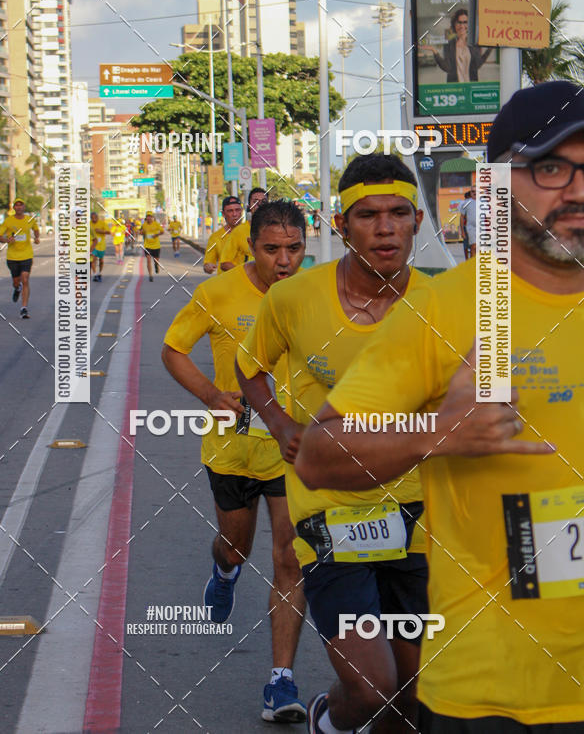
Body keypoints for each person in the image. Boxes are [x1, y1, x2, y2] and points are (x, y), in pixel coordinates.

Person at [295, 80, 584, 733]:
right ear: (501, 182)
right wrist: (438, 430)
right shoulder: (447, 307)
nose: (577, 190)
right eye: (550, 167)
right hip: (494, 691)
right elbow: (318, 453)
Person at [236, 155, 430, 734]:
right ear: (341, 226)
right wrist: (278, 423)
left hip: (422, 512)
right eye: (367, 215)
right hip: (329, 510)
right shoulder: (293, 299)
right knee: (371, 688)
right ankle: (330, 718)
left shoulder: (444, 304)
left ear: (418, 220)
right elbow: (250, 367)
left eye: (398, 213)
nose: (385, 227)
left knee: (412, 697)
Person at [162, 200, 307, 724]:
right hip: (233, 449)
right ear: (251, 246)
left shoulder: (317, 295)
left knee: (290, 558)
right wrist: (209, 394)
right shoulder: (217, 292)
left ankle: (281, 681)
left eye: (294, 249)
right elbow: (174, 349)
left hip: (294, 453)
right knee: (235, 547)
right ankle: (223, 574)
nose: (284, 261)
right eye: (272, 249)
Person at [420, 9, 492, 83]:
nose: (462, 26)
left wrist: (490, 48)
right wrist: (434, 51)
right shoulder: (449, 45)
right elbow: (447, 68)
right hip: (455, 88)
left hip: (471, 87)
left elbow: (477, 65)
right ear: (454, 24)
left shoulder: (473, 43)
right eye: (459, 22)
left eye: (465, 22)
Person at [0, 198, 40, 319]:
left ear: (24, 207)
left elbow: (36, 229)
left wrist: (36, 237)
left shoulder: (29, 219)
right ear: (14, 208)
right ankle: (17, 288)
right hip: (12, 256)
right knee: (17, 281)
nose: (19, 207)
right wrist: (6, 240)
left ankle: (24, 308)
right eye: (17, 205)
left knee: (25, 279)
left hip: (27, 254)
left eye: (21, 205)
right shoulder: (8, 221)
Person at [219, 187, 268, 273]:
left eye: (263, 202)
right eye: (255, 202)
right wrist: (245, 274)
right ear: (249, 206)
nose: (259, 205)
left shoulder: (277, 230)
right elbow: (224, 263)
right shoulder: (239, 231)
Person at [203, 196, 243, 275]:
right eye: (230, 211)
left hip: (249, 283)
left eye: (237, 210)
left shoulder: (252, 232)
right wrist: (208, 267)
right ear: (223, 214)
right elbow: (208, 263)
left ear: (241, 211)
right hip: (226, 284)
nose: (234, 214)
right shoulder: (215, 237)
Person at [90, 211, 112, 282]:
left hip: (101, 245)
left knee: (101, 260)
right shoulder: (89, 224)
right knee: (93, 259)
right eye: (92, 218)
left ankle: (100, 272)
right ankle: (95, 274)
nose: (94, 219)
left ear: (97, 217)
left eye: (95, 218)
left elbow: (109, 232)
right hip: (93, 244)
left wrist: (100, 231)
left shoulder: (102, 223)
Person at [141, 211, 164, 281]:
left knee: (156, 260)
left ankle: (156, 265)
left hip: (156, 246)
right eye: (147, 216)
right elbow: (143, 232)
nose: (149, 218)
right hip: (147, 245)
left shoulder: (156, 224)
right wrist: (141, 232)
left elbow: (162, 232)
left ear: (152, 217)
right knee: (148, 260)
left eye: (150, 216)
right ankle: (150, 275)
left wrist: (156, 235)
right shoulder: (144, 225)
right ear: (146, 218)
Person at [459, 186, 477, 259]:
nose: (474, 193)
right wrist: (462, 231)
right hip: (470, 228)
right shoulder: (466, 203)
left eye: (476, 191)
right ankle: (472, 265)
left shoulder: (484, 202)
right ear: (470, 192)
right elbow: (462, 217)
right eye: (473, 191)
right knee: (473, 246)